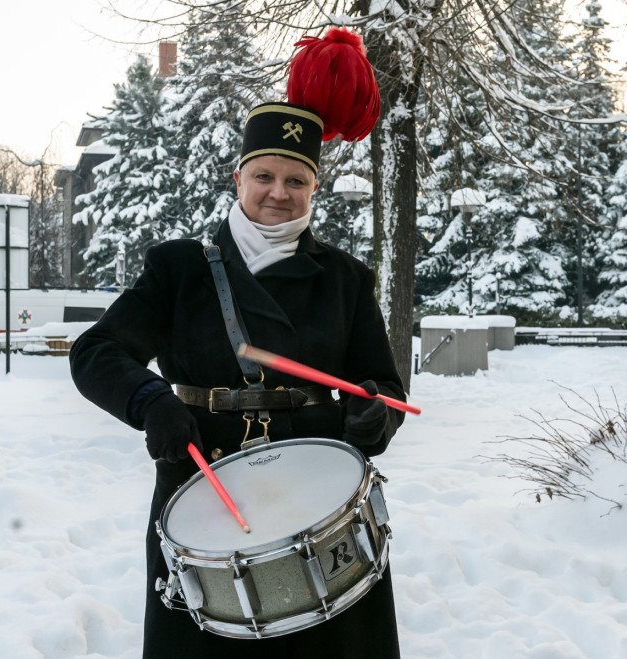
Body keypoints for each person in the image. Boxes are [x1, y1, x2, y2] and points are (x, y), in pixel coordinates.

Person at [70, 27, 405, 659]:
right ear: (239, 176)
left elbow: (382, 384)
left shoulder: (346, 279)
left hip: (317, 500)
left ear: (315, 188)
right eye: (265, 176)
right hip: (203, 495)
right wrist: (151, 402)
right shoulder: (180, 268)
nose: (279, 193)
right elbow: (96, 353)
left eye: (296, 181)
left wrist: (374, 412)